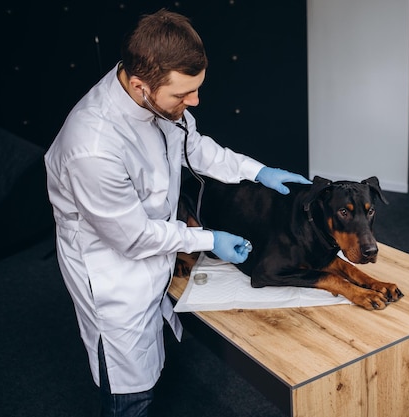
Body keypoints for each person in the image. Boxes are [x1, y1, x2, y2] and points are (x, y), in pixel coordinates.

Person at [44, 9, 311, 416]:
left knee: (158, 352)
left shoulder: (155, 100)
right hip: (113, 274)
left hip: (154, 250)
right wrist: (209, 239)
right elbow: (133, 237)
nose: (195, 102)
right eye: (183, 95)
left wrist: (257, 171)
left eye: (197, 89)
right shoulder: (93, 147)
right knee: (128, 384)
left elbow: (195, 147)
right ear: (140, 85)